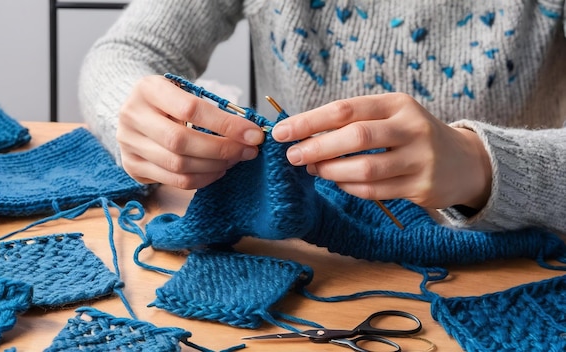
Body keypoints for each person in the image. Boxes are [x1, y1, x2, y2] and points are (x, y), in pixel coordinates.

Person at [78, 1, 566, 234]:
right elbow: (126, 51)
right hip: (307, 266)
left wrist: (483, 163)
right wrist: (132, 109)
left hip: (524, 262)